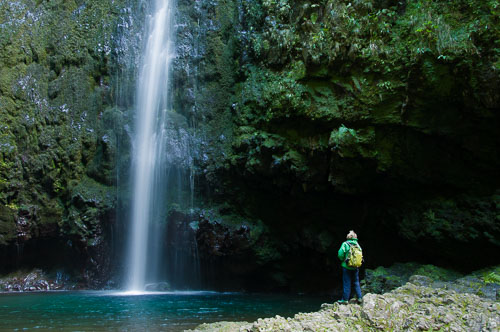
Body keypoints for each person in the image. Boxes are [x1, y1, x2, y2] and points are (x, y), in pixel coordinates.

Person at [337, 230, 362, 304]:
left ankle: (345, 299)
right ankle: (360, 297)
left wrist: (343, 260)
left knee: (347, 283)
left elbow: (340, 254)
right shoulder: (357, 244)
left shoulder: (345, 244)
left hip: (346, 266)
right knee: (356, 282)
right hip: (356, 267)